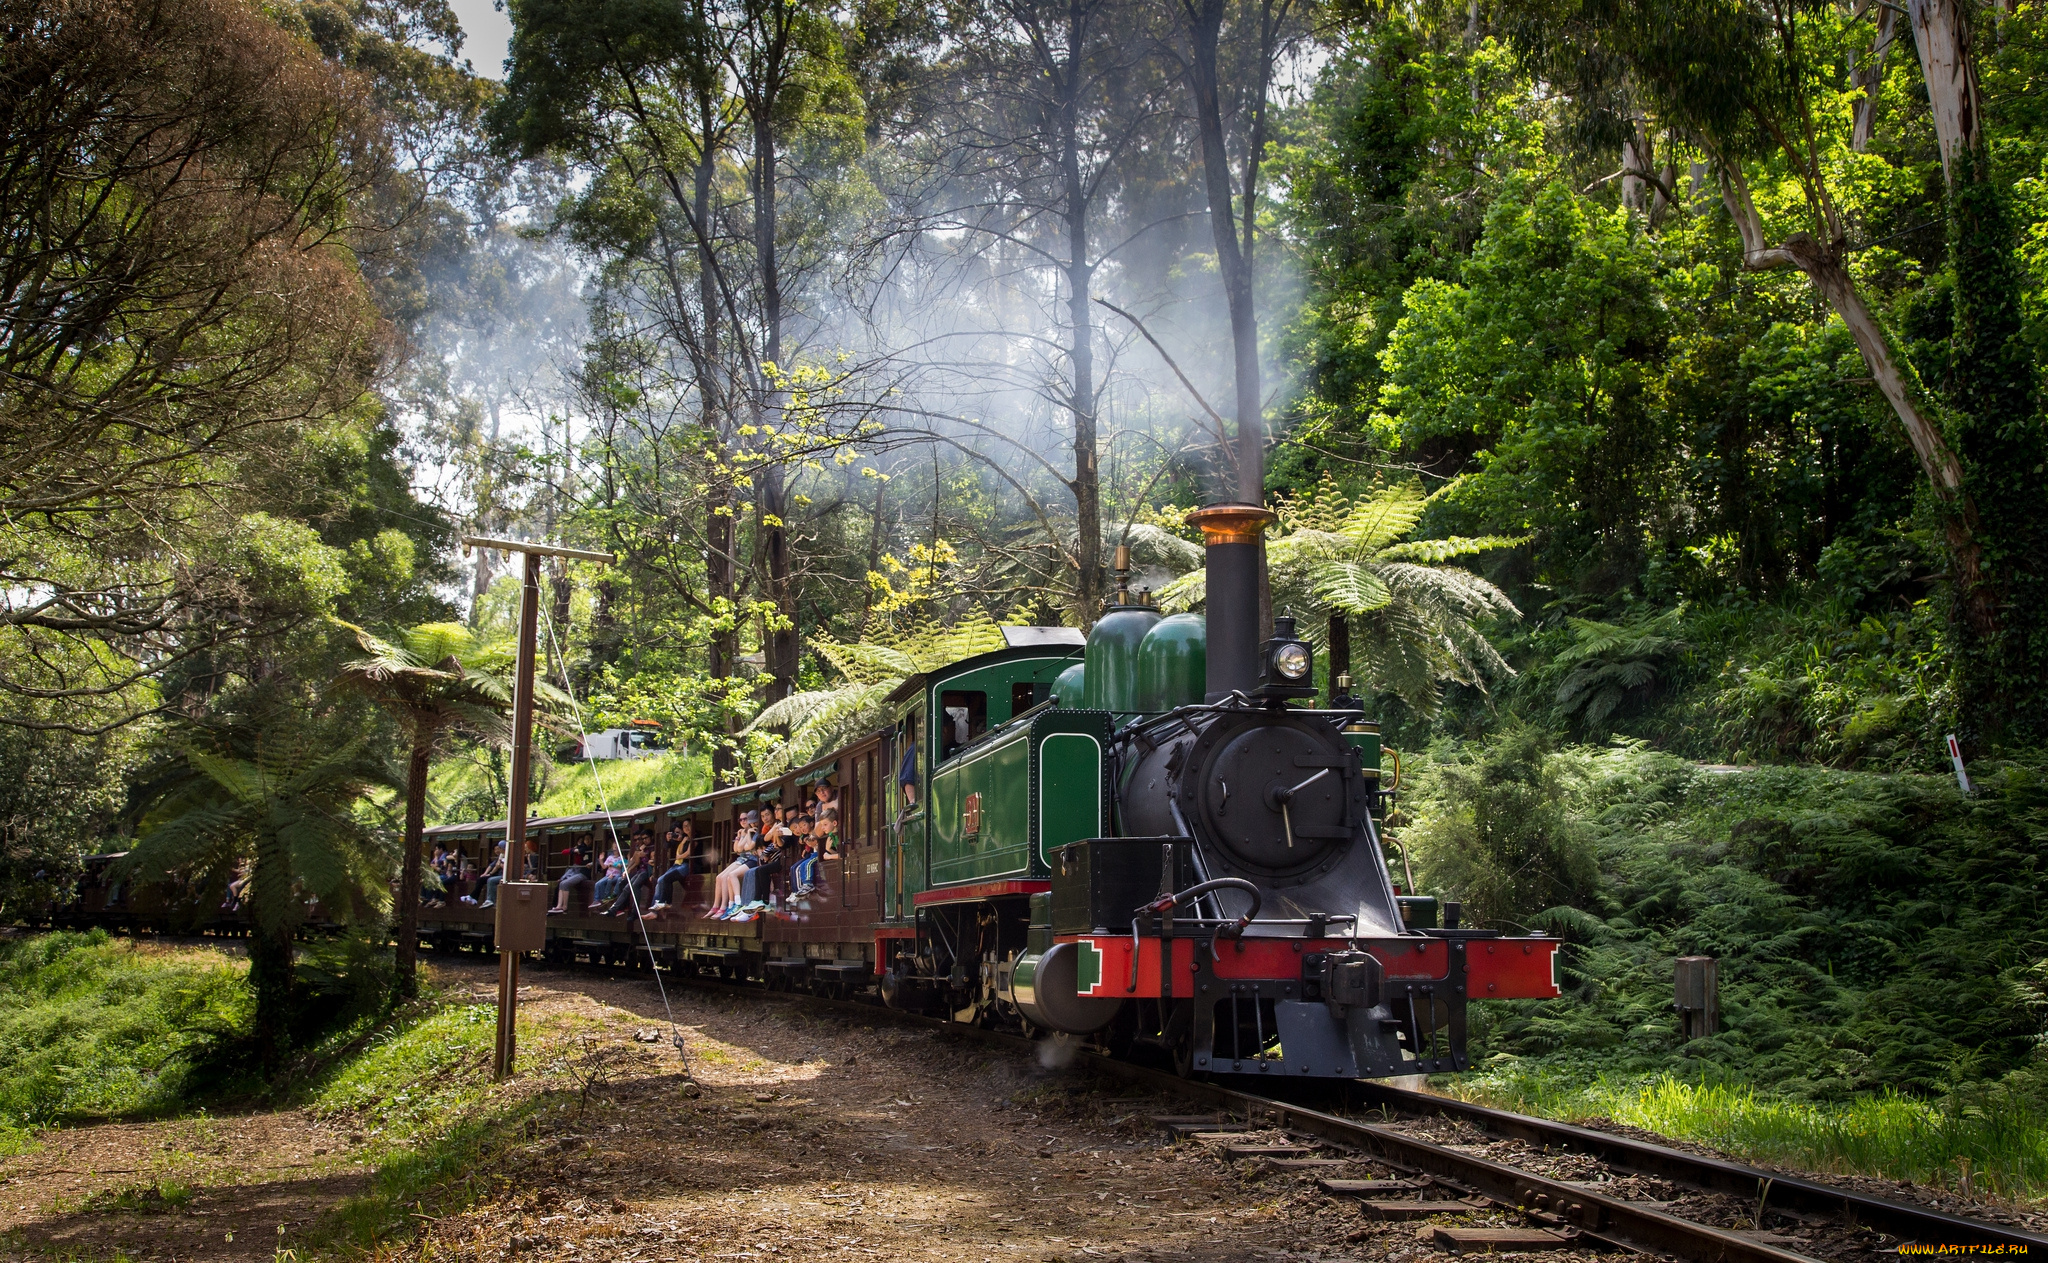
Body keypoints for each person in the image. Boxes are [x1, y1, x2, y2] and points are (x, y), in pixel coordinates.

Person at [710, 812, 760, 915]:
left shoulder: (753, 832)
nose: (743, 821)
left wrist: (745, 836)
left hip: (748, 859)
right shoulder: (743, 832)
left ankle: (727, 906)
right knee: (719, 877)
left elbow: (743, 848)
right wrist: (739, 836)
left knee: (728, 876)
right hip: (742, 859)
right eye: (740, 820)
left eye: (745, 819)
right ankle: (719, 906)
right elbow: (736, 849)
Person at [645, 819, 698, 917]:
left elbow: (687, 853)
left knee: (666, 878)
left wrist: (680, 855)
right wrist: (669, 839)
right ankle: (654, 910)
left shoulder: (694, 838)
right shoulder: (683, 839)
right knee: (660, 880)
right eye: (684, 826)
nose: (686, 828)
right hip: (678, 864)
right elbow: (668, 847)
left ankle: (666, 903)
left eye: (688, 825)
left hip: (687, 865)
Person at [550, 844, 593, 914]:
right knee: (562, 883)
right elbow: (564, 852)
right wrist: (574, 850)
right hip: (580, 872)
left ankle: (564, 907)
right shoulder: (581, 855)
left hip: (584, 874)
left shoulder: (589, 852)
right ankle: (559, 906)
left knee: (565, 884)